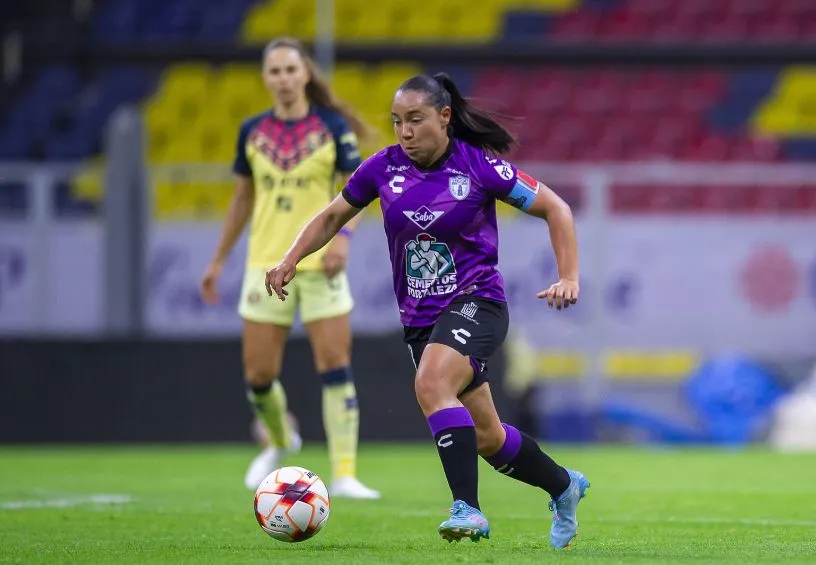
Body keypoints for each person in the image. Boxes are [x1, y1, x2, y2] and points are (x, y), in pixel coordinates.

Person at [265, 72, 589, 547]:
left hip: (478, 301)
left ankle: (468, 510)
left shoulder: (479, 167)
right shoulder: (382, 168)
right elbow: (334, 214)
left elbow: (556, 208)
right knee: (486, 437)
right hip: (421, 320)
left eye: (415, 120)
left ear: (444, 116)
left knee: (432, 384)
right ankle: (564, 487)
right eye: (397, 122)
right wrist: (292, 257)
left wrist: (569, 277)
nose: (406, 132)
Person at [200, 37, 380, 499]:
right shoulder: (252, 131)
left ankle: (344, 474)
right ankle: (281, 440)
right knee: (258, 377)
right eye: (274, 71)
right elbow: (242, 198)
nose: (282, 78)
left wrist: (343, 239)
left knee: (335, 364)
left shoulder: (333, 127)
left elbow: (357, 191)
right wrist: (219, 260)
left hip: (320, 264)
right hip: (264, 264)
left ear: (305, 75)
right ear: (265, 78)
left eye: (290, 70)